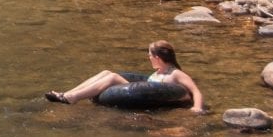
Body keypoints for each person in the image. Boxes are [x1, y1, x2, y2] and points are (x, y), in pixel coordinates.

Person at [45, 40, 206, 113]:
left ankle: (72, 98)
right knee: (106, 72)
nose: (148, 57)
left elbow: (195, 91)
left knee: (113, 77)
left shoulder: (175, 73)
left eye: (149, 55)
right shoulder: (158, 73)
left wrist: (197, 108)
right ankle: (67, 93)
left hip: (156, 96)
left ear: (157, 57)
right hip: (145, 93)